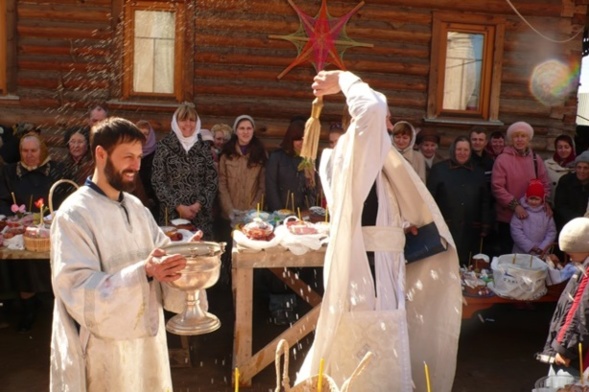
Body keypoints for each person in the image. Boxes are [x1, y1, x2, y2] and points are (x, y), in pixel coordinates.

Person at [298, 70, 461, 392]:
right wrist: (344, 79)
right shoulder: (352, 152)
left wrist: (401, 224)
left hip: (383, 265)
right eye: (387, 120)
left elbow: (377, 207)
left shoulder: (369, 161)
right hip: (367, 272)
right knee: (368, 344)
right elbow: (371, 110)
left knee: (385, 345)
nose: (389, 127)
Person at [50, 117, 203, 391]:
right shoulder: (74, 214)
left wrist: (187, 257)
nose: (136, 165)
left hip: (146, 346)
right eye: (128, 157)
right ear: (100, 154)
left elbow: (161, 258)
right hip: (102, 352)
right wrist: (142, 273)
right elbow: (74, 289)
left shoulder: (137, 208)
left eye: (139, 157)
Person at [0, 132, 67, 332]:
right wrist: (14, 217)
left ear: (42, 150)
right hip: (20, 228)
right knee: (23, 267)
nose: (28, 155)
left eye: (33, 151)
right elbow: (2, 200)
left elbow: (66, 199)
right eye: (24, 151)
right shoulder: (9, 172)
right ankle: (28, 309)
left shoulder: (57, 171)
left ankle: (57, 310)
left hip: (49, 227)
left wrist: (50, 217)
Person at [151, 102, 218, 239]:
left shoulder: (204, 147)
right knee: (176, 255)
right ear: (176, 122)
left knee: (200, 256)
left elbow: (212, 180)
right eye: (183, 119)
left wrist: (198, 204)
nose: (188, 124)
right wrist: (179, 206)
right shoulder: (164, 146)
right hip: (171, 215)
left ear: (197, 122)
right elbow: (158, 181)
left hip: (200, 215)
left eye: (192, 120)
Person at [427, 136, 492, 265]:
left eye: (466, 150)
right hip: (446, 225)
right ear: (453, 150)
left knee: (466, 262)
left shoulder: (478, 172)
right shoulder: (439, 170)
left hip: (471, 226)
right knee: (445, 261)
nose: (462, 153)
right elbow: (430, 198)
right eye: (459, 149)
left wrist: (485, 224)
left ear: (470, 151)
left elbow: (485, 200)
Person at [538, 217, 589, 378]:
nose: (569, 256)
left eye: (570, 252)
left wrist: (564, 349)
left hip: (576, 356)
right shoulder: (582, 267)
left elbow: (580, 312)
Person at [491, 121, 551, 255]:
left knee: (528, 257)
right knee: (508, 257)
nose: (519, 139)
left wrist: (545, 202)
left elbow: (545, 183)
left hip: (531, 219)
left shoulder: (535, 159)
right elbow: (497, 187)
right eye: (516, 136)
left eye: (523, 136)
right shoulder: (502, 159)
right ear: (511, 139)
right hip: (508, 217)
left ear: (529, 138)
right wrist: (516, 206)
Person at [265, 119, 318, 212]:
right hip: (280, 213)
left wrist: (307, 210)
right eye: (298, 139)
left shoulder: (309, 159)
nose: (302, 143)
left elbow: (312, 189)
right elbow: (271, 186)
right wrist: (279, 211)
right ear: (291, 139)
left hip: (302, 214)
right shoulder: (277, 157)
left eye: (304, 139)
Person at [510, 179, 557, 257]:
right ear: (526, 197)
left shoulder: (546, 213)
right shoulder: (521, 212)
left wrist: (543, 247)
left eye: (537, 199)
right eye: (531, 198)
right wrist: (530, 246)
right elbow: (516, 231)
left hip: (541, 252)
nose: (534, 202)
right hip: (521, 252)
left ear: (542, 199)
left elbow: (551, 232)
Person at [554, 151, 589, 231]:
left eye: (586, 168)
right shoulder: (566, 181)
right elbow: (560, 205)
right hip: (567, 223)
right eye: (579, 167)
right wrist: (578, 219)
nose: (581, 171)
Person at [135, 120, 159, 221]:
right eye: (140, 133)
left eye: (146, 134)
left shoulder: (157, 154)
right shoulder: (133, 152)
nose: (143, 137)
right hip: (135, 199)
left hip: (153, 200)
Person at [545, 134, 576, 205]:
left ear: (572, 148)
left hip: (570, 208)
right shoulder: (547, 164)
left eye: (566, 147)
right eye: (560, 147)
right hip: (550, 207)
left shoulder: (578, 166)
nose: (563, 150)